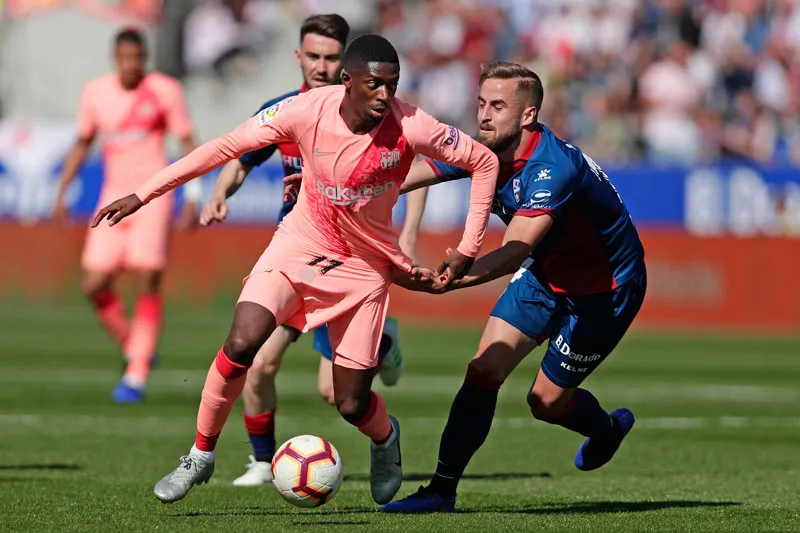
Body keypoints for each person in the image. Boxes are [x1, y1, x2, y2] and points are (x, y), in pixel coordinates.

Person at [91, 34, 499, 506]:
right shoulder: (303, 111)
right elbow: (224, 147)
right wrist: (144, 194)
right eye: (374, 85)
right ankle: (199, 455)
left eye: (392, 85)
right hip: (299, 246)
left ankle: (386, 439)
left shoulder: (412, 124)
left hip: (364, 269)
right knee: (242, 344)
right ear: (347, 81)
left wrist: (468, 248)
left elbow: (483, 160)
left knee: (349, 402)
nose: (385, 96)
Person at [381, 61, 647, 513]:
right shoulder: (484, 148)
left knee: (544, 402)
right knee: (483, 372)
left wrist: (453, 278)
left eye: (498, 106)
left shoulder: (551, 169)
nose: (484, 115)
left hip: (605, 291)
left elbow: (514, 251)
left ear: (528, 115)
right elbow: (412, 175)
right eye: (482, 103)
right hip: (547, 276)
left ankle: (605, 429)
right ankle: (441, 491)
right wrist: (343, 192)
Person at [198, 13, 426, 487]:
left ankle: (383, 345)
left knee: (334, 393)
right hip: (295, 257)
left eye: (330, 58)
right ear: (298, 56)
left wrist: (406, 238)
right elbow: (241, 158)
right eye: (313, 56)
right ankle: (262, 461)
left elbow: (417, 167)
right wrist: (221, 193)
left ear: (345, 65)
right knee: (256, 360)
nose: (320, 67)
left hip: (348, 266)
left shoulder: (373, 117)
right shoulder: (284, 110)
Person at [54, 27, 201, 404]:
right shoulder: (96, 92)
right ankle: (135, 345)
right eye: (125, 59)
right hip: (111, 199)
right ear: (115, 58)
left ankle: (135, 375)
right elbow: (83, 142)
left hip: (151, 198)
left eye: (137, 58)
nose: (131, 65)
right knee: (93, 283)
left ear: (145, 58)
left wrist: (193, 196)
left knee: (146, 279)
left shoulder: (165, 90)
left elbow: (187, 144)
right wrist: (63, 190)